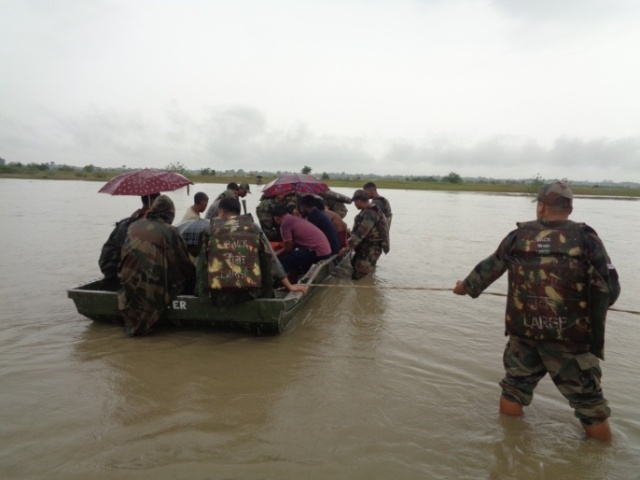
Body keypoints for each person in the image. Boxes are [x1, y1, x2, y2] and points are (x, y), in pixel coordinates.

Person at [453, 181, 621, 441]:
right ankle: (599, 461)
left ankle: (510, 446)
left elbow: (488, 269)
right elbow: (611, 289)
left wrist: (464, 287)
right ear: (570, 207)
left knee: (514, 390)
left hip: (524, 334)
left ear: (541, 206)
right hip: (571, 339)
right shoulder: (587, 239)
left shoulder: (518, 237)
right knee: (589, 404)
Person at [196, 197, 307, 304]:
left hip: (218, 294)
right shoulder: (253, 227)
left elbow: (201, 265)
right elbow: (271, 258)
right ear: (238, 213)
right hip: (249, 294)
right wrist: (289, 286)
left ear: (221, 212)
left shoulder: (209, 229)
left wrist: (202, 294)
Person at [117, 195, 195, 336]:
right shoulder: (170, 231)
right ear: (169, 214)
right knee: (189, 278)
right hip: (153, 291)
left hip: (127, 287)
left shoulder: (133, 226)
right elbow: (185, 265)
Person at [98, 192, 160, 281]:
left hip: (125, 272)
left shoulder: (138, 220)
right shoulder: (128, 225)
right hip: (117, 274)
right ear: (153, 202)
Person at [340, 189, 390, 280]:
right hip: (365, 247)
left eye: (355, 202)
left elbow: (360, 234)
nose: (354, 205)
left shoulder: (371, 213)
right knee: (355, 264)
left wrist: (346, 248)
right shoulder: (368, 210)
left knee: (359, 275)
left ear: (358, 201)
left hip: (371, 249)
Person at [272, 205, 332, 276]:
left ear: (276, 218)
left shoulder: (285, 224)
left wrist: (275, 254)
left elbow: (288, 248)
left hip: (318, 252)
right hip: (326, 250)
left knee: (284, 260)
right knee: (297, 254)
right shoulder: (294, 218)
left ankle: (286, 282)